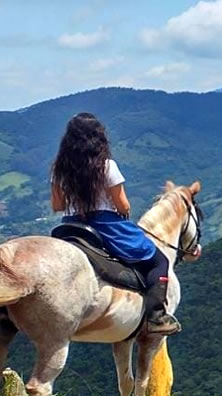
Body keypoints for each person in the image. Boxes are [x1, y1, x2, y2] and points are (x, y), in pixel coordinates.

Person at [50, 113, 180, 335]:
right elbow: (122, 204)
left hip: (69, 225)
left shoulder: (59, 169)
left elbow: (58, 206)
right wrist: (125, 213)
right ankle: (156, 316)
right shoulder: (107, 166)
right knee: (158, 261)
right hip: (105, 224)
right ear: (98, 138)